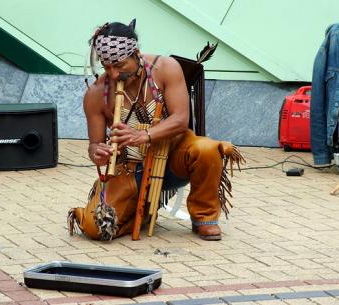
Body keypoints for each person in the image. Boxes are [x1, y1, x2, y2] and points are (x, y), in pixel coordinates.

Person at [68, 19, 244, 241]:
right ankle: (138, 213)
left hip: (173, 157)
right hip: (130, 170)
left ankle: (204, 218)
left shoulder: (166, 68)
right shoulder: (96, 94)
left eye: (120, 65)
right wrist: (98, 154)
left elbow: (181, 119)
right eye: (107, 67)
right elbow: (93, 146)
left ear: (137, 54)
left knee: (207, 149)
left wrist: (144, 135)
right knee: (96, 227)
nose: (114, 74)